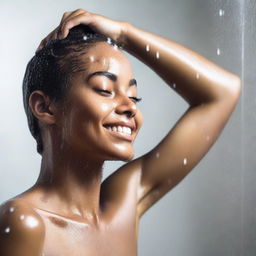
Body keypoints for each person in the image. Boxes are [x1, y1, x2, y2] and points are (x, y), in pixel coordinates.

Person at [0, 9, 241, 256]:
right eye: (105, 89)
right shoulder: (24, 222)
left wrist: (124, 33)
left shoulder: (123, 204)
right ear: (44, 107)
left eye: (134, 97)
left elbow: (223, 92)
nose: (130, 108)